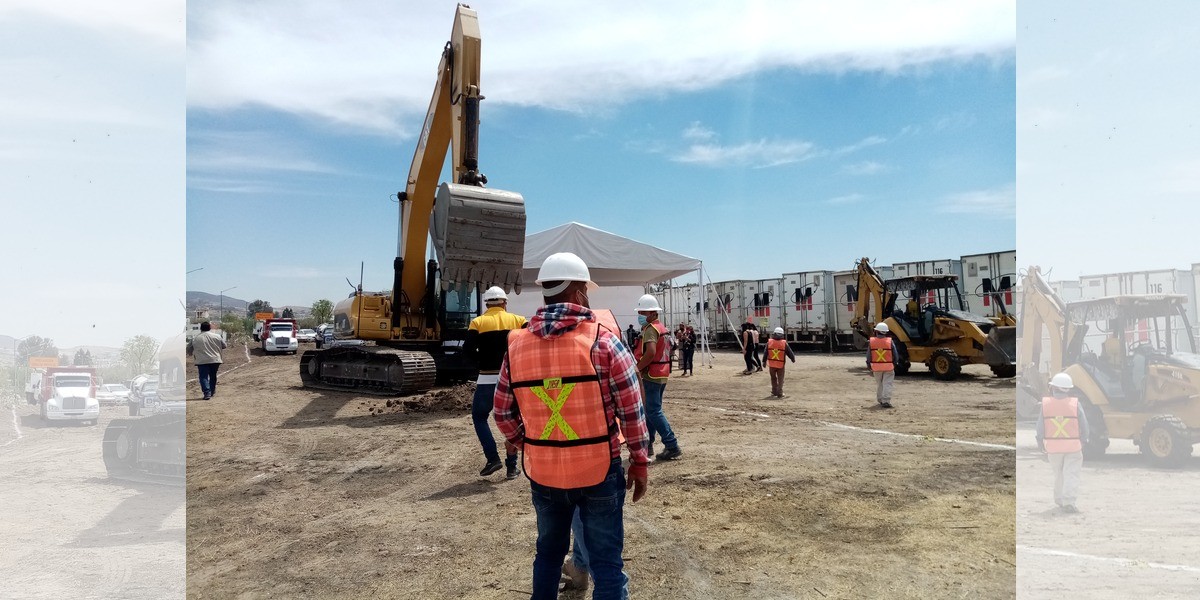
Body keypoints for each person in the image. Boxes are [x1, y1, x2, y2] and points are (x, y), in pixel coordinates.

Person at [493, 251, 649, 600]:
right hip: (598, 469)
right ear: (580, 292)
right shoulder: (605, 342)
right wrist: (639, 461)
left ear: (546, 293)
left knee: (547, 555)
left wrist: (529, 442)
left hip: (544, 472)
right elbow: (632, 411)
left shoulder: (515, 346)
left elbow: (502, 413)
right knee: (607, 562)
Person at [463, 285, 526, 479]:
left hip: (487, 379)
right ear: (504, 303)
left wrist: (481, 365)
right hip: (513, 379)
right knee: (514, 420)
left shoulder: (478, 323)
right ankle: (511, 467)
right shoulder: (518, 320)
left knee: (480, 417)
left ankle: (492, 458)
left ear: (486, 304)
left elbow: (467, 352)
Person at [635, 294, 683, 462]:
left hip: (651, 374)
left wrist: (637, 368)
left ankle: (672, 445)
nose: (640, 315)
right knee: (650, 410)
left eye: (642, 312)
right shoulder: (660, 327)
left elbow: (651, 352)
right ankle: (648, 444)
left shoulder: (650, 329)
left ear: (652, 313)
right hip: (661, 372)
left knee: (653, 410)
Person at [1035, 372, 1090, 514]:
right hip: (1073, 447)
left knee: (1058, 474)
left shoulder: (1046, 404)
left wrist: (1040, 442)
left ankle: (1059, 499)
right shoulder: (1075, 404)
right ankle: (1069, 502)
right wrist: (1084, 440)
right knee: (1071, 474)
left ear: (1053, 387)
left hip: (1053, 448)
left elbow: (1040, 426)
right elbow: (1084, 424)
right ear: (1068, 389)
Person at [187, 321, 226, 400]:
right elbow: (224, 346)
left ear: (201, 328)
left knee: (203, 377)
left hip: (202, 361)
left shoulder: (195, 338)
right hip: (215, 360)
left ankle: (207, 392)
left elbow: (188, 349)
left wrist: (191, 353)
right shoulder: (217, 336)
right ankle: (212, 391)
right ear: (210, 328)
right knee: (213, 376)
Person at [867, 322, 898, 408]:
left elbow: (869, 355)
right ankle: (886, 401)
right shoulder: (890, 341)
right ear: (886, 332)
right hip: (888, 366)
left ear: (876, 331)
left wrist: (869, 365)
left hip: (876, 367)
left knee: (879, 384)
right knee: (887, 383)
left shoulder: (872, 342)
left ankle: (880, 399)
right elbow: (895, 354)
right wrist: (894, 363)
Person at [762, 327, 796, 397]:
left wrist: (764, 361)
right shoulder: (784, 343)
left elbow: (765, 352)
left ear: (774, 334)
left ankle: (774, 391)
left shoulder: (769, 342)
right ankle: (780, 392)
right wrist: (793, 359)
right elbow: (790, 352)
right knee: (780, 379)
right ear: (782, 335)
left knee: (773, 378)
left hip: (772, 364)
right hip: (781, 364)